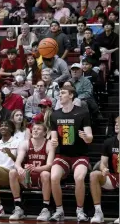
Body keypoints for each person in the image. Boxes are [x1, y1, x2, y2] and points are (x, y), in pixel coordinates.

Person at [49, 86, 93, 222]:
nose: (60, 95)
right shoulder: (54, 114)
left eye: (63, 93)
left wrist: (86, 137)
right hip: (62, 155)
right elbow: (53, 137)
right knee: (54, 177)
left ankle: (80, 211)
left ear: (71, 95)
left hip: (80, 155)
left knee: (79, 178)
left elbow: (90, 138)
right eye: (59, 93)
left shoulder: (82, 112)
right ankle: (59, 210)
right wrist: (54, 142)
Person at [8, 123, 56, 221]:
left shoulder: (49, 143)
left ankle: (46, 208)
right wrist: (20, 169)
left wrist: (35, 169)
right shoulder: (25, 143)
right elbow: (17, 162)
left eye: (38, 129)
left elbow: (49, 165)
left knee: (46, 174)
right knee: (12, 172)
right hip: (27, 177)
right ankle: (18, 207)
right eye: (33, 129)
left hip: (41, 176)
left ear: (44, 133)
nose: (35, 130)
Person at [90, 116, 119, 224]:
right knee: (94, 175)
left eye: (119, 123)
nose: (116, 125)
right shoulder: (108, 142)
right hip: (113, 176)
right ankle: (98, 213)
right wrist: (104, 169)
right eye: (116, 123)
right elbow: (102, 163)